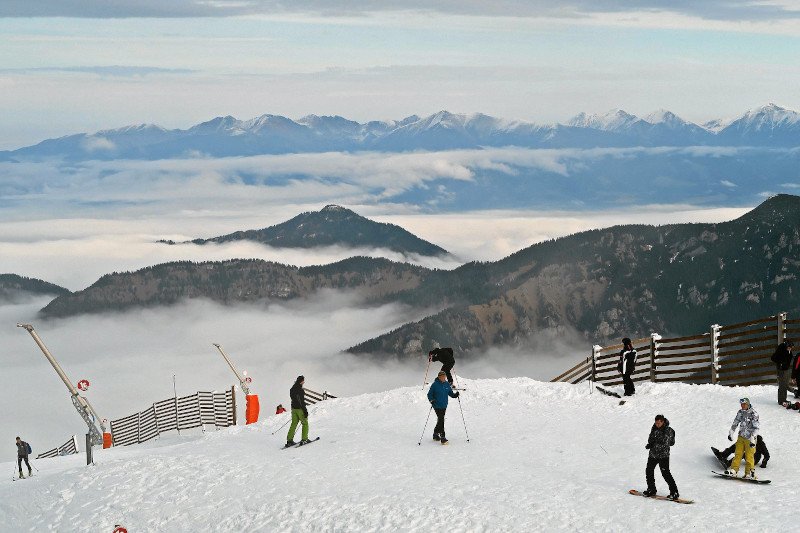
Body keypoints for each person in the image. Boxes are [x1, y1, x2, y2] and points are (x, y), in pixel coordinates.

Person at [642, 414, 679, 500]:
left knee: (666, 474)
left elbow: (669, 443)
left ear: (663, 422)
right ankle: (651, 489)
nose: (657, 424)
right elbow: (650, 439)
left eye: (659, 423)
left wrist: (653, 444)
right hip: (653, 455)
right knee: (649, 471)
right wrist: (650, 444)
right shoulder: (654, 428)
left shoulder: (668, 430)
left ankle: (674, 492)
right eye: (656, 423)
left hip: (663, 456)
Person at [725, 397, 760, 479]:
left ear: (747, 404)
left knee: (749, 456)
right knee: (738, 454)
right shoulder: (740, 412)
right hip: (741, 436)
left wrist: (753, 438)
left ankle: (749, 472)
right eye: (741, 404)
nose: (742, 406)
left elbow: (756, 428)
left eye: (744, 404)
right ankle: (734, 470)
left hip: (750, 438)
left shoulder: (754, 414)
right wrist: (731, 431)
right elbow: (736, 422)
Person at [427, 370, 459, 445]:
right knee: (441, 419)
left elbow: (450, 393)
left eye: (444, 376)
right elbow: (429, 394)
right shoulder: (435, 384)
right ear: (438, 377)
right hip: (437, 405)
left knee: (440, 419)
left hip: (444, 405)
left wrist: (455, 395)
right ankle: (443, 437)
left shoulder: (447, 384)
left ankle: (435, 434)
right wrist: (432, 400)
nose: (443, 377)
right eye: (441, 376)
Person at [286, 376, 310, 446]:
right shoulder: (300, 390)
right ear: (301, 381)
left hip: (294, 409)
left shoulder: (292, 389)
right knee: (305, 423)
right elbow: (301, 401)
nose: (304, 382)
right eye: (303, 381)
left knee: (293, 424)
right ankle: (304, 439)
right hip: (300, 409)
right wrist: (305, 411)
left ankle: (289, 440)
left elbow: (293, 399)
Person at [772, 340, 794, 404]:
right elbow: (773, 358)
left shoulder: (788, 350)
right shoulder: (781, 350)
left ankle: (784, 399)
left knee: (785, 384)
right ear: (787, 346)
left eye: (791, 348)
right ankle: (781, 400)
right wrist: (781, 362)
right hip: (781, 370)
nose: (790, 349)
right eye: (789, 347)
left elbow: (789, 357)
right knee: (782, 385)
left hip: (786, 369)